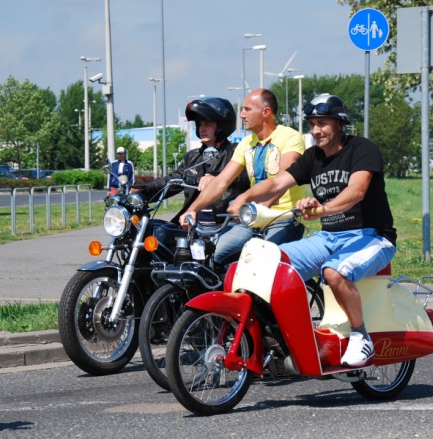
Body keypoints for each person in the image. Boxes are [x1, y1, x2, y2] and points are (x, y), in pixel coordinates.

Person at [229, 94, 397, 368]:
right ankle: (280, 337)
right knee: (268, 261)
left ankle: (360, 336)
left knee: (334, 271)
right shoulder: (313, 157)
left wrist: (322, 209)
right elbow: (276, 184)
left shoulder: (362, 149)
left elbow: (357, 191)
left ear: (340, 124)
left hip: (371, 236)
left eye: (323, 123)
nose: (316, 130)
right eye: (312, 124)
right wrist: (242, 198)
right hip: (328, 237)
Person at [180, 89, 306, 265]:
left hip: (284, 218)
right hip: (252, 219)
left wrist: (251, 204)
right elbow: (221, 182)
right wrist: (192, 209)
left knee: (260, 262)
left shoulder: (290, 137)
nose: (241, 114)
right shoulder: (246, 143)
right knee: (214, 257)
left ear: (265, 112)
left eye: (247, 109)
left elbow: (282, 180)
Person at [132, 97, 248, 226]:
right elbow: (171, 181)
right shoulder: (193, 157)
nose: (202, 129)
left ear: (222, 126)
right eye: (200, 124)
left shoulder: (235, 151)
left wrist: (214, 176)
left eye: (208, 124)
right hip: (191, 225)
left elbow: (241, 175)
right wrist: (142, 190)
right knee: (156, 234)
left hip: (223, 224)